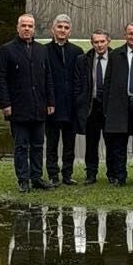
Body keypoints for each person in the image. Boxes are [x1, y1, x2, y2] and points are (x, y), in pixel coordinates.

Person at [0, 13, 56, 192]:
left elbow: (48, 77)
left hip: (39, 106)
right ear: (18, 28)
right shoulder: (7, 50)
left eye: (30, 26)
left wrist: (50, 101)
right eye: (24, 25)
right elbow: (1, 79)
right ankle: (23, 179)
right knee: (21, 146)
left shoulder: (41, 50)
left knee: (38, 145)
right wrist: (5, 104)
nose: (27, 29)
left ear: (34, 28)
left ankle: (36, 177)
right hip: (18, 107)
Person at [102, 22, 133, 186]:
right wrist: (107, 108)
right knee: (119, 144)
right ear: (125, 35)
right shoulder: (116, 55)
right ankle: (119, 177)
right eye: (130, 33)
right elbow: (107, 83)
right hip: (120, 105)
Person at [44, 13, 86, 185]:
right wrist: (48, 101)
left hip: (71, 105)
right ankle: (53, 175)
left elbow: (81, 80)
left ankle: (67, 174)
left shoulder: (77, 52)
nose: (62, 30)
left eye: (66, 28)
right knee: (52, 143)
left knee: (69, 144)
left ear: (70, 31)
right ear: (53, 29)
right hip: (52, 106)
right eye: (59, 27)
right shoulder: (44, 50)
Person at [82, 30, 111, 184]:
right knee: (91, 142)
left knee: (111, 142)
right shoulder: (86, 59)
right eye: (96, 42)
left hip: (109, 106)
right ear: (92, 43)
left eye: (102, 42)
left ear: (108, 42)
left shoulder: (115, 58)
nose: (99, 45)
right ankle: (91, 173)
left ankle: (112, 173)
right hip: (92, 106)